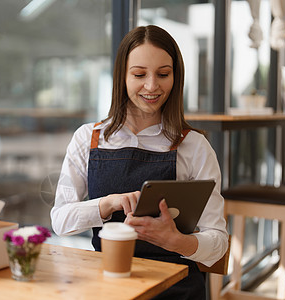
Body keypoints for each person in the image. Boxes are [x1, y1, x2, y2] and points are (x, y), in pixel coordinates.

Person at [50, 25, 228, 299]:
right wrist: (107, 204)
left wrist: (176, 241)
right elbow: (61, 221)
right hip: (109, 286)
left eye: (163, 74)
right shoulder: (89, 138)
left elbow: (218, 242)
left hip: (176, 289)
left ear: (175, 77)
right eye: (139, 74)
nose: (152, 85)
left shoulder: (194, 146)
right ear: (122, 76)